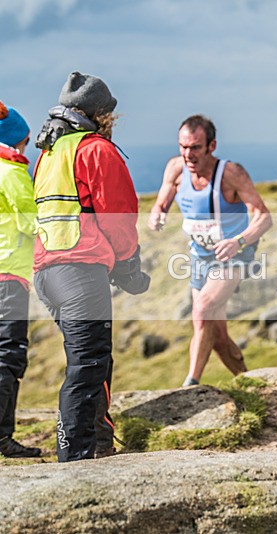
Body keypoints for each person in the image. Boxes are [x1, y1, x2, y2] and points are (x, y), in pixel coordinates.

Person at [33, 72, 150, 462]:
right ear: (100, 114)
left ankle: (99, 443)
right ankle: (75, 458)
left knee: (92, 360)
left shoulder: (50, 153)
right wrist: (129, 266)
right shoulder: (95, 149)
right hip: (80, 272)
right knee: (87, 365)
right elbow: (119, 218)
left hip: (47, 273)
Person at [148, 115, 272, 387]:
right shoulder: (175, 168)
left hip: (234, 254)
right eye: (183, 147)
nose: (187, 154)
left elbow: (264, 217)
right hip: (200, 255)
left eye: (195, 147)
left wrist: (238, 241)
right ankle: (249, 383)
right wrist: (157, 214)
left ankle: (190, 384)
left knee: (202, 308)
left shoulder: (231, 174)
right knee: (216, 335)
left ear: (211, 146)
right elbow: (161, 203)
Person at [0, 101, 41, 458]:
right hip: (9, 275)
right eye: (26, 141)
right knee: (9, 356)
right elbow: (32, 223)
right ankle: (1, 438)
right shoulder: (11, 172)